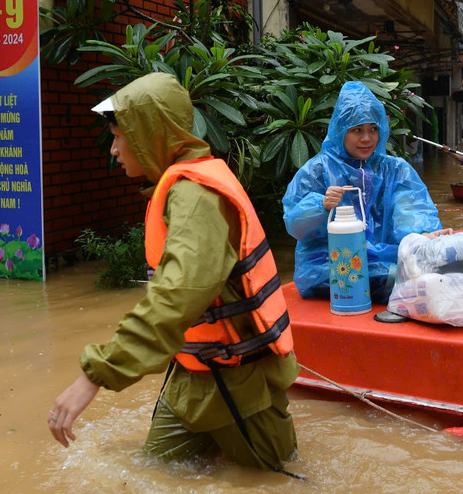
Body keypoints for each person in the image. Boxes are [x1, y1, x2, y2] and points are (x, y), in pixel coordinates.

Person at [48, 73, 300, 473]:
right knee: (150, 474)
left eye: (119, 136)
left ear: (150, 135)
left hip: (237, 381)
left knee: (277, 479)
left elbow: (176, 295)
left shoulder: (196, 197)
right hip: (190, 374)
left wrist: (94, 376)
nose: (113, 150)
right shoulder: (179, 187)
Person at [282, 81, 452, 304]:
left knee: (436, 270)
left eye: (373, 129)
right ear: (340, 131)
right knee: (394, 277)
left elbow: (411, 209)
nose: (367, 138)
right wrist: (321, 206)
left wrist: (423, 236)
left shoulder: (396, 169)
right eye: (357, 130)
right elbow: (294, 224)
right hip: (328, 265)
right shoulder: (317, 169)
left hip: (385, 258)